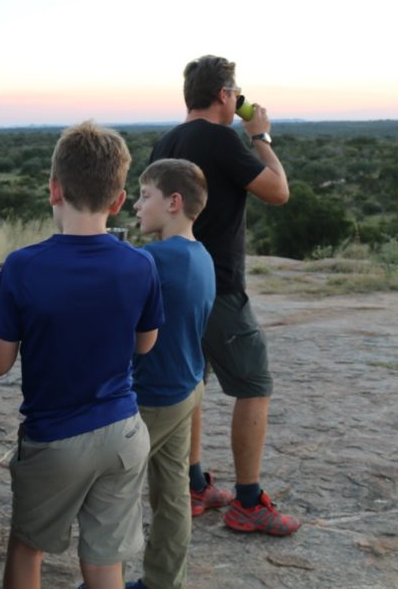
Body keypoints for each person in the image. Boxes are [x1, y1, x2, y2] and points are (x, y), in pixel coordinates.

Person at [0, 121, 164, 589]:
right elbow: (145, 344)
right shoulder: (140, 264)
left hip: (56, 440)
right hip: (123, 432)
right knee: (106, 562)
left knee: (28, 545)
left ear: (54, 190)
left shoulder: (24, 265)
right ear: (119, 199)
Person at [150, 54, 301, 536]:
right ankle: (249, 502)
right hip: (218, 284)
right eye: (234, 93)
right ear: (224, 95)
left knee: (193, 382)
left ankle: (194, 486)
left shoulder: (167, 140)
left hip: (174, 281)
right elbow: (278, 192)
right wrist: (259, 135)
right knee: (253, 384)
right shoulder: (223, 138)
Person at [130, 159, 215, 589]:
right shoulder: (202, 256)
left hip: (153, 396)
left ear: (174, 202)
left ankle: (103, 578)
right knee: (172, 495)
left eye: (146, 196)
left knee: (108, 493)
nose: (136, 205)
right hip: (188, 387)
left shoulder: (154, 259)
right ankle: (163, 582)